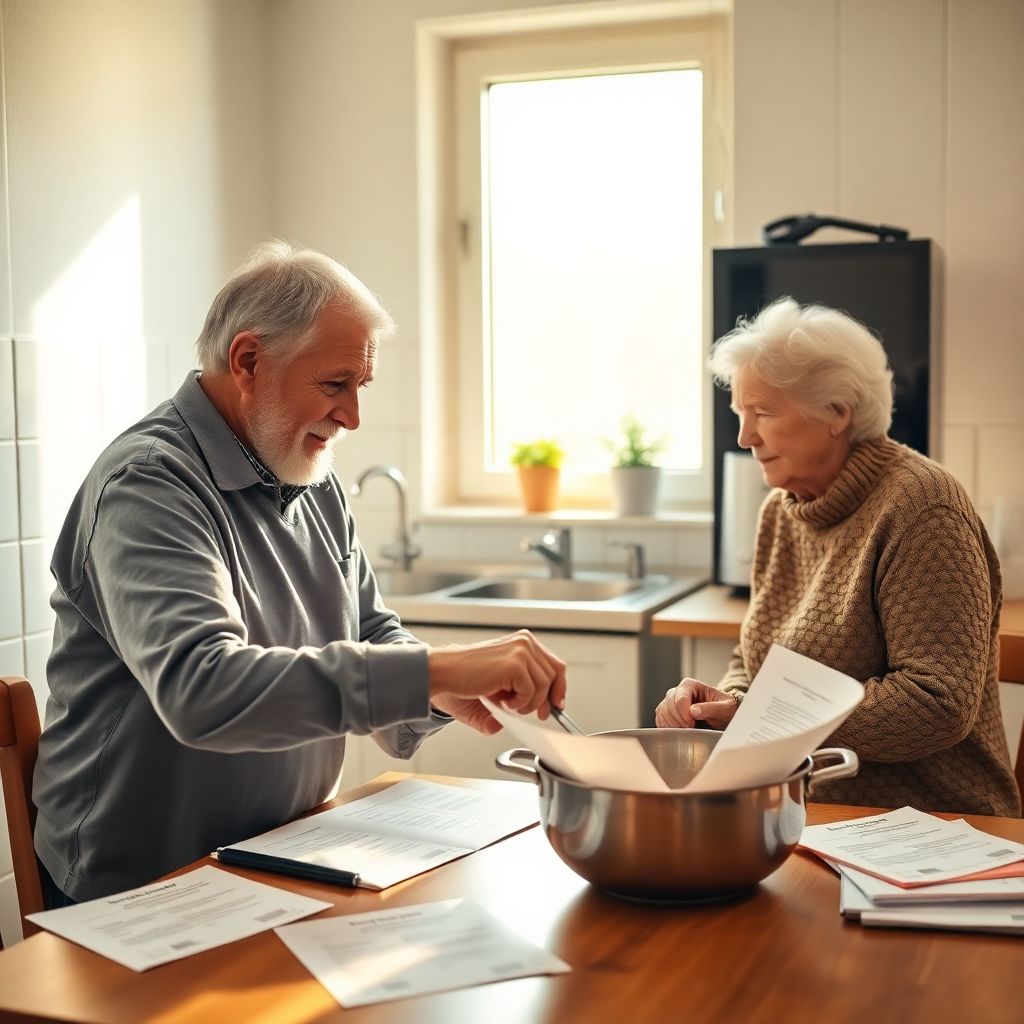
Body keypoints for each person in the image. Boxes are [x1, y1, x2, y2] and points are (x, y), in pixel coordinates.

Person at [32, 241, 567, 904]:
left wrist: (435, 693)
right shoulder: (149, 483)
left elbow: (369, 628)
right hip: (145, 884)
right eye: (334, 384)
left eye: (359, 386)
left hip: (281, 855)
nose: (352, 416)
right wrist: (444, 668)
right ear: (249, 361)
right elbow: (204, 689)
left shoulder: (307, 474)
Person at [655, 297, 1019, 817]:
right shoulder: (781, 511)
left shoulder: (923, 507)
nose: (744, 437)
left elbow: (936, 704)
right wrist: (721, 703)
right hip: (813, 817)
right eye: (740, 413)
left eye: (763, 413)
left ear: (837, 412)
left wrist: (759, 713)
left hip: (935, 825)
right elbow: (753, 659)